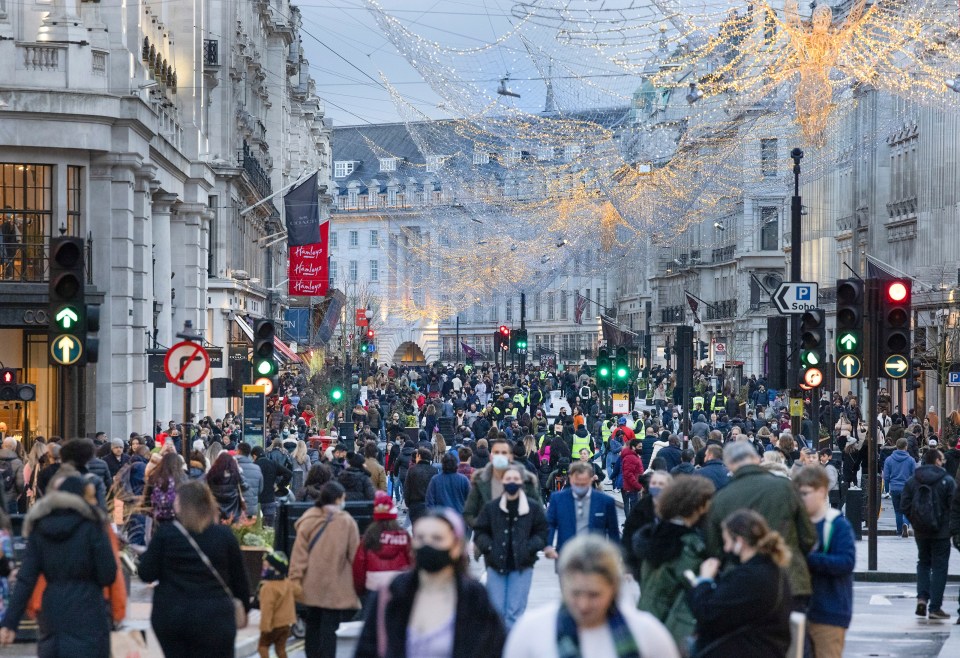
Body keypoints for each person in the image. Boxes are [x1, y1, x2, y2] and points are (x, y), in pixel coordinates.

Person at [355, 509, 506, 658]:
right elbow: (367, 649)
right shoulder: (391, 594)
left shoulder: (473, 596)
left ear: (456, 547)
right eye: (420, 538)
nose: (427, 545)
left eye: (437, 538)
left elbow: (493, 647)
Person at [503, 534, 679, 658]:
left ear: (614, 588)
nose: (583, 604)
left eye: (594, 595)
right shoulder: (530, 631)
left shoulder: (648, 633)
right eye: (575, 593)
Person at [0, 476, 117, 655]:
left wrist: (10, 623)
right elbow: (108, 574)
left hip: (52, 610)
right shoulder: (93, 527)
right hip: (89, 608)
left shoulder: (40, 528)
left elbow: (25, 579)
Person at [138, 479, 251, 657]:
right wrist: (244, 609)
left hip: (173, 616)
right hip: (216, 617)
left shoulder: (166, 534)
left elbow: (146, 573)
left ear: (180, 506)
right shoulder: (223, 536)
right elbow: (241, 580)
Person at [705, 441, 815, 610]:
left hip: (741, 584)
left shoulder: (721, 499)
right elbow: (808, 536)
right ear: (757, 459)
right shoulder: (785, 487)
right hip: (788, 579)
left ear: (729, 464)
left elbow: (715, 548)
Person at [688, 509, 793, 657]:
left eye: (727, 542)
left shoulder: (750, 577)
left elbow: (708, 612)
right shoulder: (772, 570)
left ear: (739, 541)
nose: (725, 548)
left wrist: (704, 582)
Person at [634, 475, 714, 649]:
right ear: (696, 506)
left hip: (648, 618)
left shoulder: (656, 535)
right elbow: (689, 584)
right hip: (675, 630)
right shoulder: (689, 545)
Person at [288, 481, 360, 658]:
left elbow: (299, 554)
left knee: (312, 624)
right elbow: (355, 556)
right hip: (335, 584)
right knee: (330, 628)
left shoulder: (308, 519)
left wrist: (295, 578)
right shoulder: (347, 523)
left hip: (311, 583)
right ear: (337, 499)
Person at [473, 465, 549, 629]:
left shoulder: (532, 507)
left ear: (521, 482)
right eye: (508, 479)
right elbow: (480, 532)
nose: (512, 482)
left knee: (515, 612)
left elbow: (542, 532)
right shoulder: (491, 507)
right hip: (496, 565)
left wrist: (529, 548)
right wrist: (490, 548)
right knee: (497, 611)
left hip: (522, 566)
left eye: (515, 479)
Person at [794, 466, 856, 658]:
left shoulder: (837, 524)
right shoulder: (796, 523)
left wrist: (809, 559)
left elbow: (846, 562)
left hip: (829, 612)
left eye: (805, 493)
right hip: (800, 611)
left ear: (821, 491)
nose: (800, 498)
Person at [901, 448, 957, 620]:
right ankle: (935, 607)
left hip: (921, 530)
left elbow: (905, 504)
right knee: (940, 567)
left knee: (923, 563)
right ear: (938, 461)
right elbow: (954, 506)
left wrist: (916, 520)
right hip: (941, 531)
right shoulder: (947, 480)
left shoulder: (913, 480)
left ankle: (922, 599)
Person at [544, 462, 620, 560]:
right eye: (577, 482)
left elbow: (613, 530)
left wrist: (616, 553)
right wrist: (548, 545)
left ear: (591, 479)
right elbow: (550, 524)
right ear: (570, 479)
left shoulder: (606, 502)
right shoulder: (557, 499)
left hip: (595, 556)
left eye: (584, 483)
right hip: (567, 555)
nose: (580, 486)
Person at [463, 438, 541, 528]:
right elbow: (469, 513)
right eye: (496, 453)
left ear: (511, 456)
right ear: (491, 456)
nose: (500, 456)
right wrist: (481, 528)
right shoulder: (480, 481)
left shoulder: (526, 480)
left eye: (504, 453)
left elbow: (539, 514)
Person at [352, 491, 413, 604]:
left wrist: (360, 590)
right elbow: (412, 561)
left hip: (373, 585)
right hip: (399, 584)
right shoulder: (403, 536)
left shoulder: (368, 536)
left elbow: (359, 565)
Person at [258, 550, 297, 658]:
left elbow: (267, 608)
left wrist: (265, 626)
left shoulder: (268, 588)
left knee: (263, 646)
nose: (264, 569)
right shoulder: (288, 583)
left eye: (266, 566)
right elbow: (296, 593)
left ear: (275, 569)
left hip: (273, 624)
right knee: (280, 649)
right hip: (286, 624)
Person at [882, 438, 916, 538]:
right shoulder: (910, 460)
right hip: (907, 488)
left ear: (896, 446)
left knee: (897, 510)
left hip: (895, 487)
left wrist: (888, 487)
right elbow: (915, 475)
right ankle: (905, 523)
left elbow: (886, 476)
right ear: (906, 447)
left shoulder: (889, 459)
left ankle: (899, 530)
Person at [253, 445, 292, 528]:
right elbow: (288, 473)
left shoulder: (254, 465)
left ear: (254, 456)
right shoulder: (272, 463)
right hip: (270, 499)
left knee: (256, 528)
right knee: (269, 527)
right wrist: (279, 486)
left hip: (257, 500)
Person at [206, 451, 247, 523]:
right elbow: (245, 486)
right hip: (234, 512)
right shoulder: (235, 475)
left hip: (216, 512)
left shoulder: (212, 475)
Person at [404, 447, 438, 522]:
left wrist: (407, 503)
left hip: (415, 504)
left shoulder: (412, 470)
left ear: (419, 456)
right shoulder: (434, 470)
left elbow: (407, 488)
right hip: (430, 505)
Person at [236, 442, 264, 519]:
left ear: (238, 451)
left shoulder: (232, 466)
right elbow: (260, 489)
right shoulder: (257, 468)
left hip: (235, 508)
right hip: (251, 509)